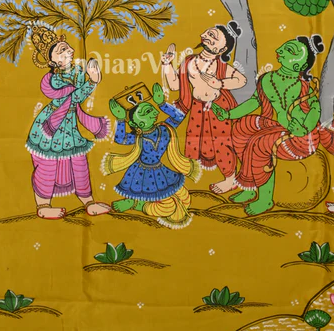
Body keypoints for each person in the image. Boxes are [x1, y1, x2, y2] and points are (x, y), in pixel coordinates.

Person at [212, 35, 334, 216]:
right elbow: (254, 102)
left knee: (260, 143)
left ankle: (265, 199)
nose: (280, 50)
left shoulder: (304, 87)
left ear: (298, 66)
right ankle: (249, 186)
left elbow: (315, 109)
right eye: (284, 47)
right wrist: (229, 114)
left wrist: (304, 128)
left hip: (300, 137)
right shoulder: (267, 79)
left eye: (290, 51)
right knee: (241, 127)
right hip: (275, 126)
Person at [26, 24, 111, 219]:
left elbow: (79, 96)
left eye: (67, 47)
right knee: (48, 166)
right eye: (62, 50)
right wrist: (92, 81)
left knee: (79, 163)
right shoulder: (54, 80)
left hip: (70, 126)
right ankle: (43, 206)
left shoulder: (77, 71)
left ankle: (89, 202)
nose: (70, 50)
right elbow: (74, 97)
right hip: (51, 128)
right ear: (53, 61)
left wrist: (91, 79)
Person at [162, 22, 247, 193]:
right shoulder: (189, 62)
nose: (207, 37)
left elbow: (241, 80)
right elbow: (175, 85)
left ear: (222, 49)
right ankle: (189, 176)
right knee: (194, 141)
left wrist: (220, 83)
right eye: (208, 33)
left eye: (213, 37)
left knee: (222, 144)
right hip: (197, 109)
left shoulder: (221, 66)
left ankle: (230, 179)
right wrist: (167, 65)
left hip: (217, 108)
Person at [102, 82, 200, 228]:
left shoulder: (164, 129)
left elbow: (179, 116)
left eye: (151, 109)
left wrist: (162, 104)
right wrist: (121, 119)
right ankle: (136, 204)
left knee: (185, 198)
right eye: (146, 112)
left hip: (162, 171)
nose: (154, 113)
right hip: (142, 174)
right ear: (135, 124)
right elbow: (120, 139)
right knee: (169, 207)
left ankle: (141, 202)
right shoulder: (138, 137)